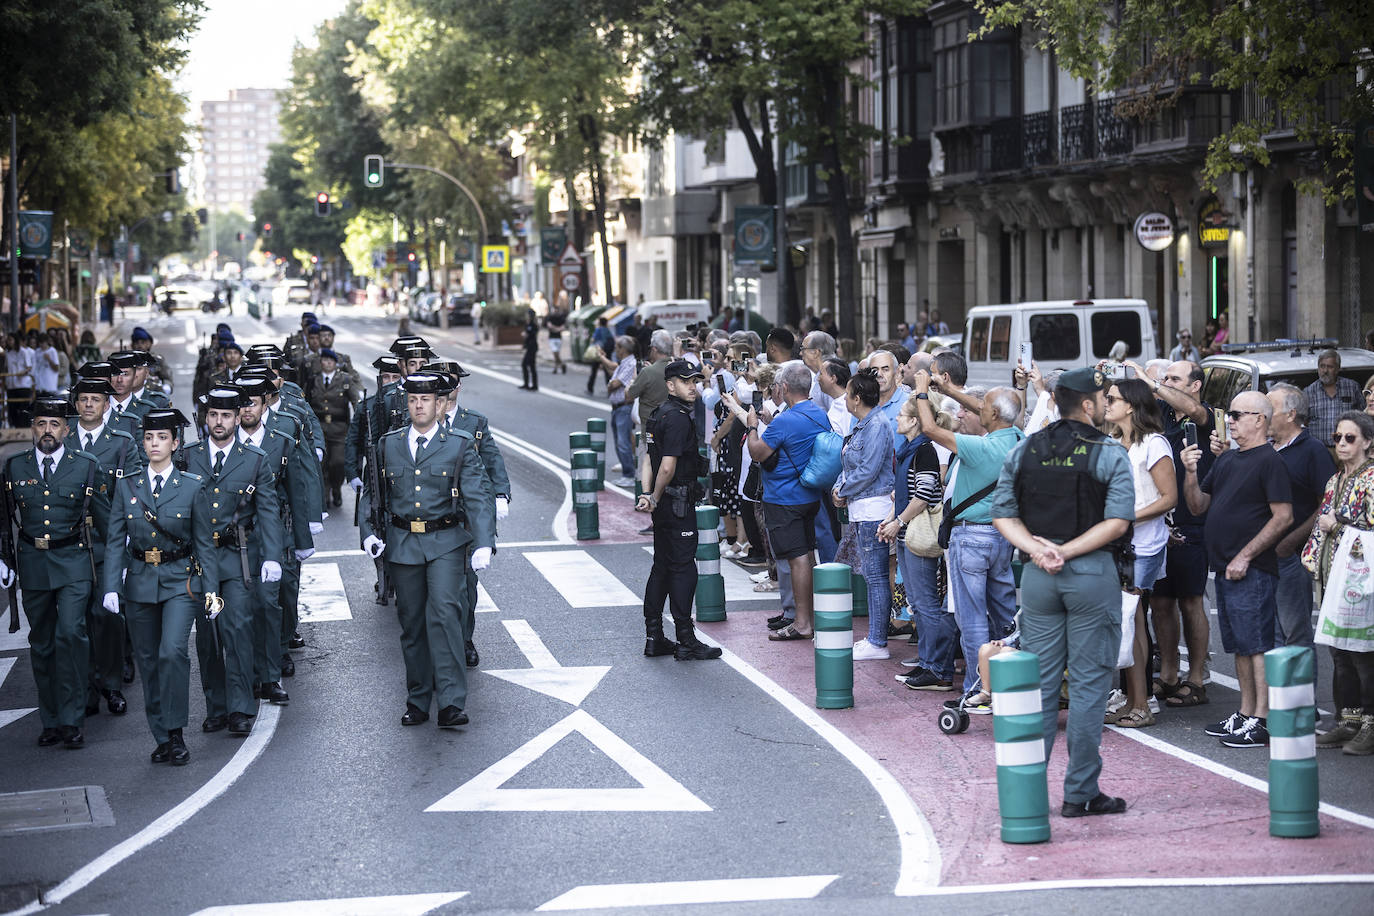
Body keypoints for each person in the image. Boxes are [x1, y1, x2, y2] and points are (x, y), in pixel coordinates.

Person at [990, 367, 1136, 817]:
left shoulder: (1025, 448)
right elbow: (1118, 521)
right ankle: (1081, 791)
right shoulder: (1108, 452)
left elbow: (1002, 513)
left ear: (1055, 401)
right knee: (1090, 686)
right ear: (1088, 405)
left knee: (1039, 686)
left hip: (1037, 575)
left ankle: (1028, 792)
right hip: (1091, 572)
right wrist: (1067, 551)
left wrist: (1038, 549)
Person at [361, 373, 496, 727]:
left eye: (426, 400)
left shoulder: (459, 444)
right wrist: (367, 532)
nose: (418, 406)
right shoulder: (388, 444)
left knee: (445, 615)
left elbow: (477, 496)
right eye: (412, 400)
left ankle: (451, 702)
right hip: (403, 543)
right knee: (412, 624)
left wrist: (484, 542)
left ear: (439, 404)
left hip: (446, 543)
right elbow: (372, 494)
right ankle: (418, 699)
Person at [101, 408, 215, 766]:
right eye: (149, 438)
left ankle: (178, 732)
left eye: (162, 438)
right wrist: (110, 587)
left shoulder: (192, 486)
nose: (154, 444)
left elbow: (205, 544)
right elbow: (114, 539)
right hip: (139, 582)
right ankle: (161, 736)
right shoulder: (127, 485)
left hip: (181, 581)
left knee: (172, 653)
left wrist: (211, 591)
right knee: (149, 662)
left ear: (175, 443)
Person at [1181, 391, 1293, 748]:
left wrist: (1245, 555)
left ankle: (1262, 719)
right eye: (1228, 414)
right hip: (1226, 568)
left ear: (1259, 419)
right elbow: (1198, 505)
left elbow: (1283, 516)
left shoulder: (1269, 461)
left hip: (1252, 569)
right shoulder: (1229, 460)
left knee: (1257, 645)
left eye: (1235, 414)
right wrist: (1190, 471)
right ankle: (1245, 713)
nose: (1228, 420)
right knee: (1241, 646)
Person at [2, 399, 111, 749]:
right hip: (33, 562)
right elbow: (4, 519)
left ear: (67, 429)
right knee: (43, 642)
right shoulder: (14, 467)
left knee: (71, 635)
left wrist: (118, 569)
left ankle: (72, 717)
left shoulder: (86, 466)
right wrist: (3, 560)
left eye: (54, 424)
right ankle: (50, 720)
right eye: (40, 423)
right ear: (32, 429)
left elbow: (107, 522)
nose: (47, 430)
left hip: (74, 561)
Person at [913, 369, 1025, 695]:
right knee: (1004, 614)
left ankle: (979, 687)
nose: (975, 409)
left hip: (971, 537)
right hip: (1003, 536)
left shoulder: (980, 447)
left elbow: (930, 428)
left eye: (982, 406)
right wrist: (948, 388)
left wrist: (923, 391)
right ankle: (1010, 677)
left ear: (991, 414)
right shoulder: (1019, 439)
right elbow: (992, 410)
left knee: (972, 618)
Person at [182, 389, 283, 737]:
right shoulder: (187, 457)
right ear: (205, 419)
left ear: (238, 418)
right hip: (199, 563)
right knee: (207, 638)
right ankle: (217, 707)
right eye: (213, 415)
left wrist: (272, 555)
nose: (219, 422)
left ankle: (241, 708)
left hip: (239, 558)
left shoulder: (254, 459)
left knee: (238, 630)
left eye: (226, 416)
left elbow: (268, 510)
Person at [1102, 378, 1177, 729]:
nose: (1106, 402)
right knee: (1129, 621)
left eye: (1113, 398)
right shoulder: (1116, 441)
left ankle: (1142, 704)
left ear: (1131, 405)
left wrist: (1127, 516)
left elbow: (1168, 498)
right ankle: (1135, 699)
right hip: (1121, 542)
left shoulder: (1154, 444)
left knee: (1131, 619)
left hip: (1143, 546)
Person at [635, 359, 721, 660]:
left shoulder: (658, 414)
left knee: (662, 566)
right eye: (685, 381)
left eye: (695, 381)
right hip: (677, 503)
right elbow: (667, 466)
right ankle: (686, 639)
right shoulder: (678, 418)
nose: (692, 386)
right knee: (684, 569)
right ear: (670, 384)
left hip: (666, 505)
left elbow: (648, 459)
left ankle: (654, 636)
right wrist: (656, 495)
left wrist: (648, 494)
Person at [66, 371, 140, 718]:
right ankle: (86, 688)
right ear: (76, 404)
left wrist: (128, 533)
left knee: (107, 615)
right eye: (83, 400)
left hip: (109, 540)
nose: (89, 405)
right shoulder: (62, 437)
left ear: (106, 404)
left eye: (95, 400)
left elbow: (133, 491)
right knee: (76, 621)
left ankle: (110, 684)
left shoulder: (121, 441)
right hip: (71, 542)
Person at [1302, 410, 1374, 755]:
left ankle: (1371, 726)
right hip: (1332, 576)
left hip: (1363, 582)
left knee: (1364, 655)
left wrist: (1339, 527)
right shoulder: (1334, 480)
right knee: (1340, 653)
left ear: (1368, 443)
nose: (1342, 444)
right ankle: (1349, 721)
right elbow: (1322, 523)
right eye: (1337, 437)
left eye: (1350, 438)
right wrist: (1311, 559)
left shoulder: (1372, 478)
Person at [744, 360, 830, 641]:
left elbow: (757, 452)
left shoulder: (786, 420)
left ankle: (803, 623)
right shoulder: (819, 414)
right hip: (809, 495)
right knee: (806, 555)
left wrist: (753, 427)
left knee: (797, 560)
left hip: (784, 498)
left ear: (783, 388)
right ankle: (810, 618)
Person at [437, 362, 511, 669]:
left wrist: (501, 494)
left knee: (466, 586)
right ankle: (437, 644)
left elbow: (492, 460)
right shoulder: (416, 422)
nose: (448, 390)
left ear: (458, 387)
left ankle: (465, 639)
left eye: (451, 384)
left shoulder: (474, 422)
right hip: (430, 515)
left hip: (464, 517)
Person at [884, 396, 954, 689]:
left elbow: (924, 494)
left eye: (901, 415)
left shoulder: (922, 450)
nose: (897, 419)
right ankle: (927, 664)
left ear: (914, 421)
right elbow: (904, 493)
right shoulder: (909, 449)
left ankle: (937, 668)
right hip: (906, 533)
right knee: (918, 602)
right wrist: (890, 520)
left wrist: (897, 521)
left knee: (925, 603)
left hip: (916, 534)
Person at [1266, 384, 1335, 667]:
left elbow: (1326, 503)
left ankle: (1305, 709)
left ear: (1291, 414)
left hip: (1292, 558)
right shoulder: (1266, 448)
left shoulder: (1313, 451)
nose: (1263, 414)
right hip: (1264, 557)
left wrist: (1292, 540)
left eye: (1270, 409)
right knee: (1272, 637)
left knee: (1295, 637)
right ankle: (1279, 708)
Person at [832, 369, 896, 659]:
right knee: (872, 575)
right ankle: (875, 638)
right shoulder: (863, 425)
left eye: (847, 395)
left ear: (857, 399)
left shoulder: (877, 425)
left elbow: (869, 469)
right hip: (861, 508)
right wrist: (841, 489)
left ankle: (877, 641)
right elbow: (850, 467)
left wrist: (843, 490)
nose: (845, 399)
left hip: (874, 509)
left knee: (876, 575)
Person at [308, 348, 358, 509]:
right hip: (319, 429)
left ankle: (336, 487)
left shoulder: (345, 380)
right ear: (320, 362)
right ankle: (326, 494)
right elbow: (305, 404)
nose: (327, 363)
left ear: (336, 363)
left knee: (338, 462)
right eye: (324, 360)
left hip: (340, 429)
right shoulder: (312, 380)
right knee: (322, 464)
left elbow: (356, 402)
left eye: (331, 361)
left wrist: (359, 423)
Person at [1303, 349, 1362, 446]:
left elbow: (1363, 416)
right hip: (1320, 451)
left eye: (1330, 367)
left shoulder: (1352, 387)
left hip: (1349, 447)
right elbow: (1303, 423)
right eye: (1322, 366)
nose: (1325, 371)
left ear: (1338, 368)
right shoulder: (1308, 392)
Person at [603, 336, 639, 486]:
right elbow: (612, 382)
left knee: (623, 442)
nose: (615, 351)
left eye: (617, 348)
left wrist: (611, 384)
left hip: (624, 407)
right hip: (618, 407)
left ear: (623, 349)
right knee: (620, 440)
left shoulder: (630, 363)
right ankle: (627, 471)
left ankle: (629, 475)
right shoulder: (624, 363)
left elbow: (615, 383)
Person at [588, 317, 614, 394]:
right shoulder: (608, 330)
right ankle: (610, 388)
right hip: (606, 353)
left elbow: (593, 340)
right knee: (607, 372)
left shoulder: (598, 330)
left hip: (598, 352)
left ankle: (590, 388)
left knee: (594, 371)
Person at [519, 309, 540, 390]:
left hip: (532, 347)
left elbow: (531, 335)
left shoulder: (533, 325)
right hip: (529, 346)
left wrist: (526, 334)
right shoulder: (527, 324)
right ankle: (527, 384)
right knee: (529, 365)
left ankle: (533, 385)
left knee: (528, 365)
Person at [546, 303, 567, 374]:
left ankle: (556, 368)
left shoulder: (561, 318)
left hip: (558, 338)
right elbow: (549, 326)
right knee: (555, 353)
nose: (555, 311)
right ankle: (561, 365)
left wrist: (555, 329)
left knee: (557, 353)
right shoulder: (550, 317)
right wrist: (557, 329)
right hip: (552, 338)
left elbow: (563, 327)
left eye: (556, 310)